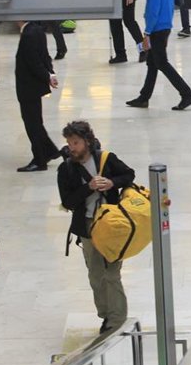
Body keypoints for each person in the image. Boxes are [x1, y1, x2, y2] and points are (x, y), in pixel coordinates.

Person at [57, 120, 136, 333]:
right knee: (95, 274)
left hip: (111, 223)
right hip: (87, 226)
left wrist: (112, 183)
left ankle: (117, 319)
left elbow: (129, 175)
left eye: (76, 142)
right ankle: (106, 314)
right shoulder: (66, 169)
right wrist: (88, 189)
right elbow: (67, 202)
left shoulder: (106, 159)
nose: (72, 147)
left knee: (112, 273)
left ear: (87, 142)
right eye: (69, 143)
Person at [126, 0, 191, 110]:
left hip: (157, 29)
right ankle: (144, 97)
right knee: (152, 63)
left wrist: (147, 33)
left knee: (162, 63)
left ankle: (186, 94)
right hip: (166, 26)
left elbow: (153, 10)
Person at [15, 21, 61, 172]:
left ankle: (39, 160)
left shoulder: (28, 35)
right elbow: (45, 56)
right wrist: (50, 73)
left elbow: (34, 62)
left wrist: (47, 77)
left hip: (28, 86)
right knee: (36, 121)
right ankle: (50, 151)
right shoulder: (37, 30)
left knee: (32, 124)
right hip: (35, 86)